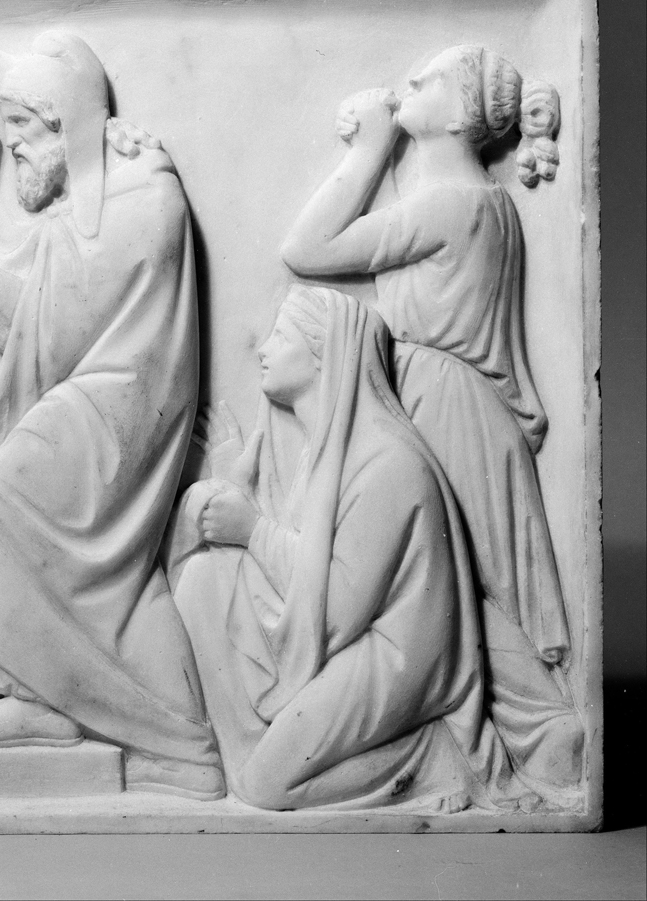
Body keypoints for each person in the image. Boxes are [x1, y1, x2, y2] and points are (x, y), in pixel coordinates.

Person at [0, 31, 222, 799]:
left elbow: (48, 328)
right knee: (97, 579)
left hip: (111, 413)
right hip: (99, 403)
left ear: (68, 124)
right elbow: (58, 84)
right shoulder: (107, 191)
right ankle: (59, 704)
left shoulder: (135, 202)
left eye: (25, 129)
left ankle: (99, 716)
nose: (13, 147)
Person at [279, 46, 583, 792]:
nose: (410, 80)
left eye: (431, 78)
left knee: (456, 582)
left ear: (458, 116)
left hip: (445, 406)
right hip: (456, 403)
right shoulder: (476, 201)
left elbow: (305, 248)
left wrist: (368, 149)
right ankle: (531, 733)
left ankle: (543, 734)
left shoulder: (451, 204)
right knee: (455, 579)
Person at [165, 287, 520, 810]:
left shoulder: (387, 463)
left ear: (323, 355)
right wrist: (236, 487)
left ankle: (433, 758)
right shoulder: (324, 452)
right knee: (204, 580)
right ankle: (241, 748)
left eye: (280, 336)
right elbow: (301, 562)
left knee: (265, 786)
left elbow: (337, 608)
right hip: (342, 636)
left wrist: (251, 530)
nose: (263, 348)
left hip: (394, 656)